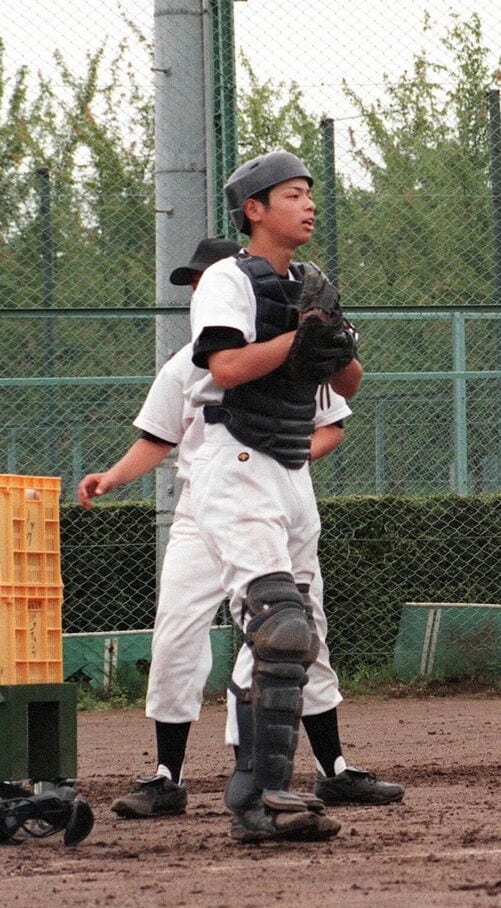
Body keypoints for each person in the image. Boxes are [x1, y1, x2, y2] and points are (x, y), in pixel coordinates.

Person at [80, 235, 403, 825]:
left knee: (298, 629)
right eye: (194, 283)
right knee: (179, 633)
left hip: (271, 494)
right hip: (204, 505)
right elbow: (158, 437)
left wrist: (288, 454)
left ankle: (328, 770)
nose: (199, 289)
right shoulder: (185, 365)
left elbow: (333, 420)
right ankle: (166, 777)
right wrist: (113, 477)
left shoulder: (291, 359)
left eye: (206, 278)